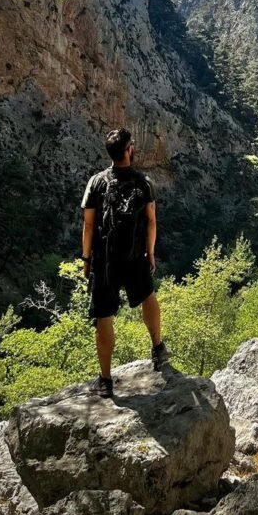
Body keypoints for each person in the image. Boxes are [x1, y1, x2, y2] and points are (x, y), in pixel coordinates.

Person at [81, 127, 168, 397]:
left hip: (104, 260)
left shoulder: (96, 182)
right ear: (129, 150)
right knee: (148, 297)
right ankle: (158, 348)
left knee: (104, 315)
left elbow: (88, 224)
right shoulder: (144, 182)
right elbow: (152, 221)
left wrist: (86, 260)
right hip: (135, 256)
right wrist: (150, 253)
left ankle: (106, 380)